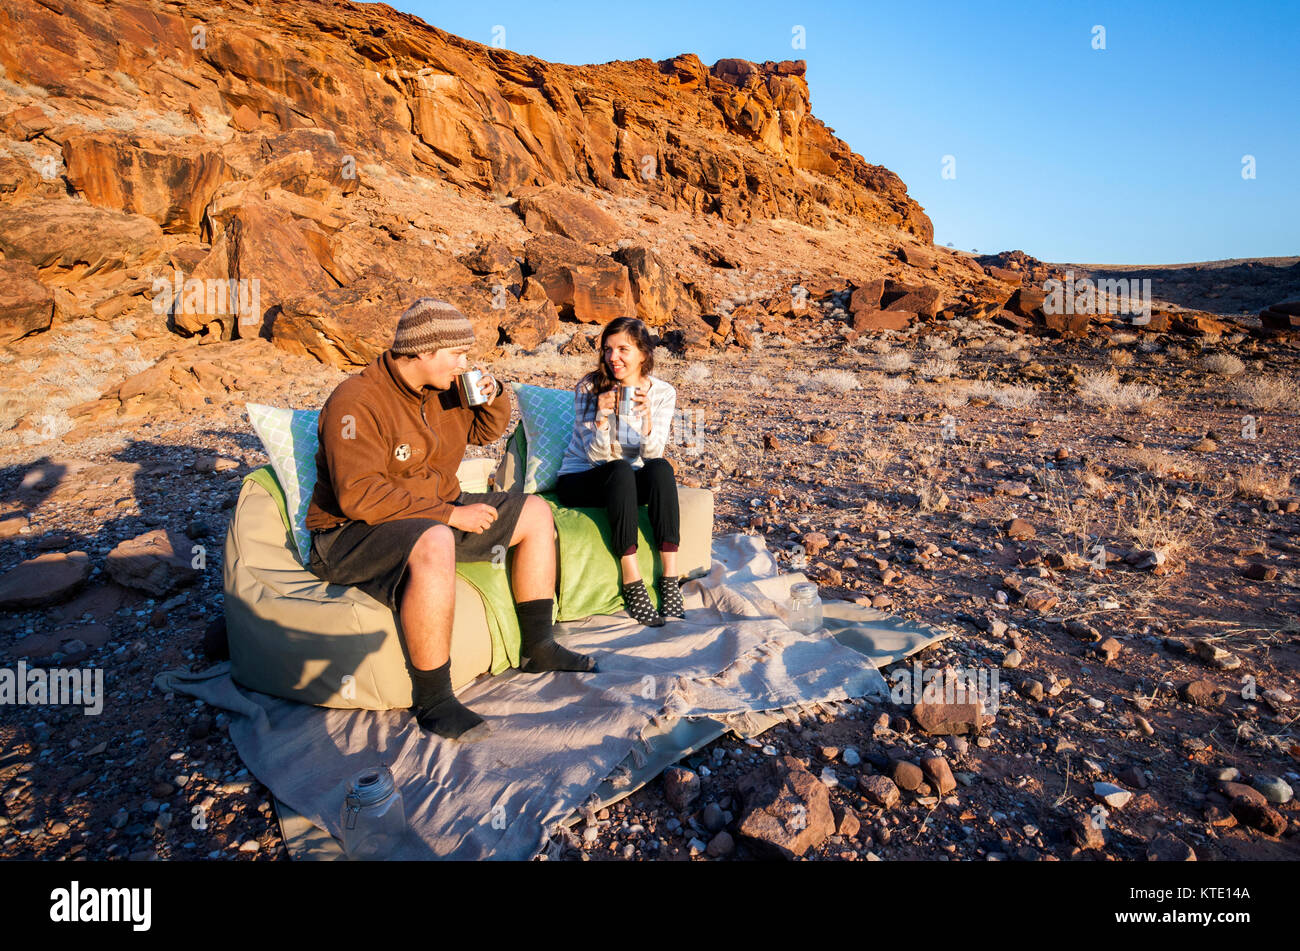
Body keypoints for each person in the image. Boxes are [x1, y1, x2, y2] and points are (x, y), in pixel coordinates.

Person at [304, 298, 596, 743]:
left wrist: (495, 394)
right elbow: (357, 495)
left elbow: (483, 432)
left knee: (535, 512)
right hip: (350, 534)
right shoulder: (357, 401)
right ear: (422, 351)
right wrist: (450, 514)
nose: (466, 362)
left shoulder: (445, 388)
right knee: (437, 538)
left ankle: (538, 646)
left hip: (434, 512)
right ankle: (434, 702)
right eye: (458, 353)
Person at [554, 316, 684, 627]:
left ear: (643, 353)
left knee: (661, 470)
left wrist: (648, 420)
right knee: (621, 470)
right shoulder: (589, 387)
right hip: (580, 479)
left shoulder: (663, 392)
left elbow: (653, 455)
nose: (614, 358)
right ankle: (632, 580)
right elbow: (597, 458)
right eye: (608, 349)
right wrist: (601, 418)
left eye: (623, 349)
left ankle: (669, 577)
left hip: (623, 480)